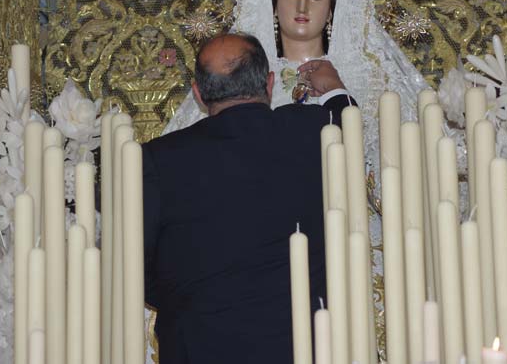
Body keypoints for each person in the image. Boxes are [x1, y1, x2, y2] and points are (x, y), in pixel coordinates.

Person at [143, 33, 355, 364]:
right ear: (269, 84)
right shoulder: (312, 130)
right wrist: (335, 89)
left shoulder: (156, 158)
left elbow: (138, 268)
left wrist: (188, 297)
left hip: (199, 345)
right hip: (298, 346)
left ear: (199, 93)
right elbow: (349, 126)